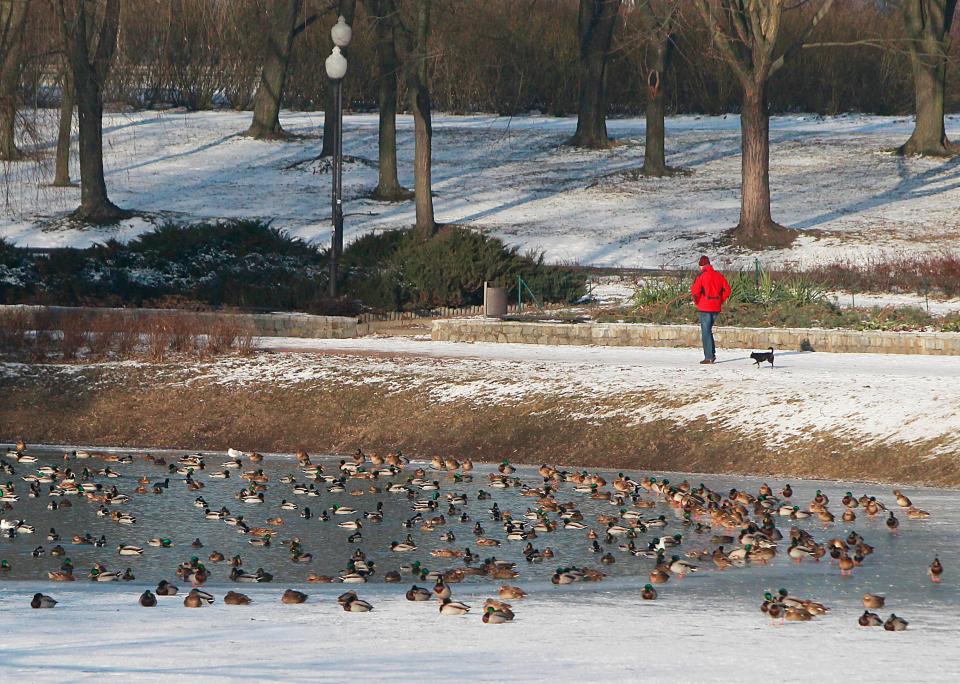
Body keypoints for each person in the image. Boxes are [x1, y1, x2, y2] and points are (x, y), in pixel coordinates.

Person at [690, 255, 730, 365]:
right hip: (716, 307)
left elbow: (695, 291)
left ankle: (709, 357)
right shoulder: (719, 275)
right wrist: (720, 300)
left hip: (704, 307)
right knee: (709, 330)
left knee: (706, 332)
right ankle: (711, 354)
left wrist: (698, 302)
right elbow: (727, 290)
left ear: (701, 266)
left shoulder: (701, 276)